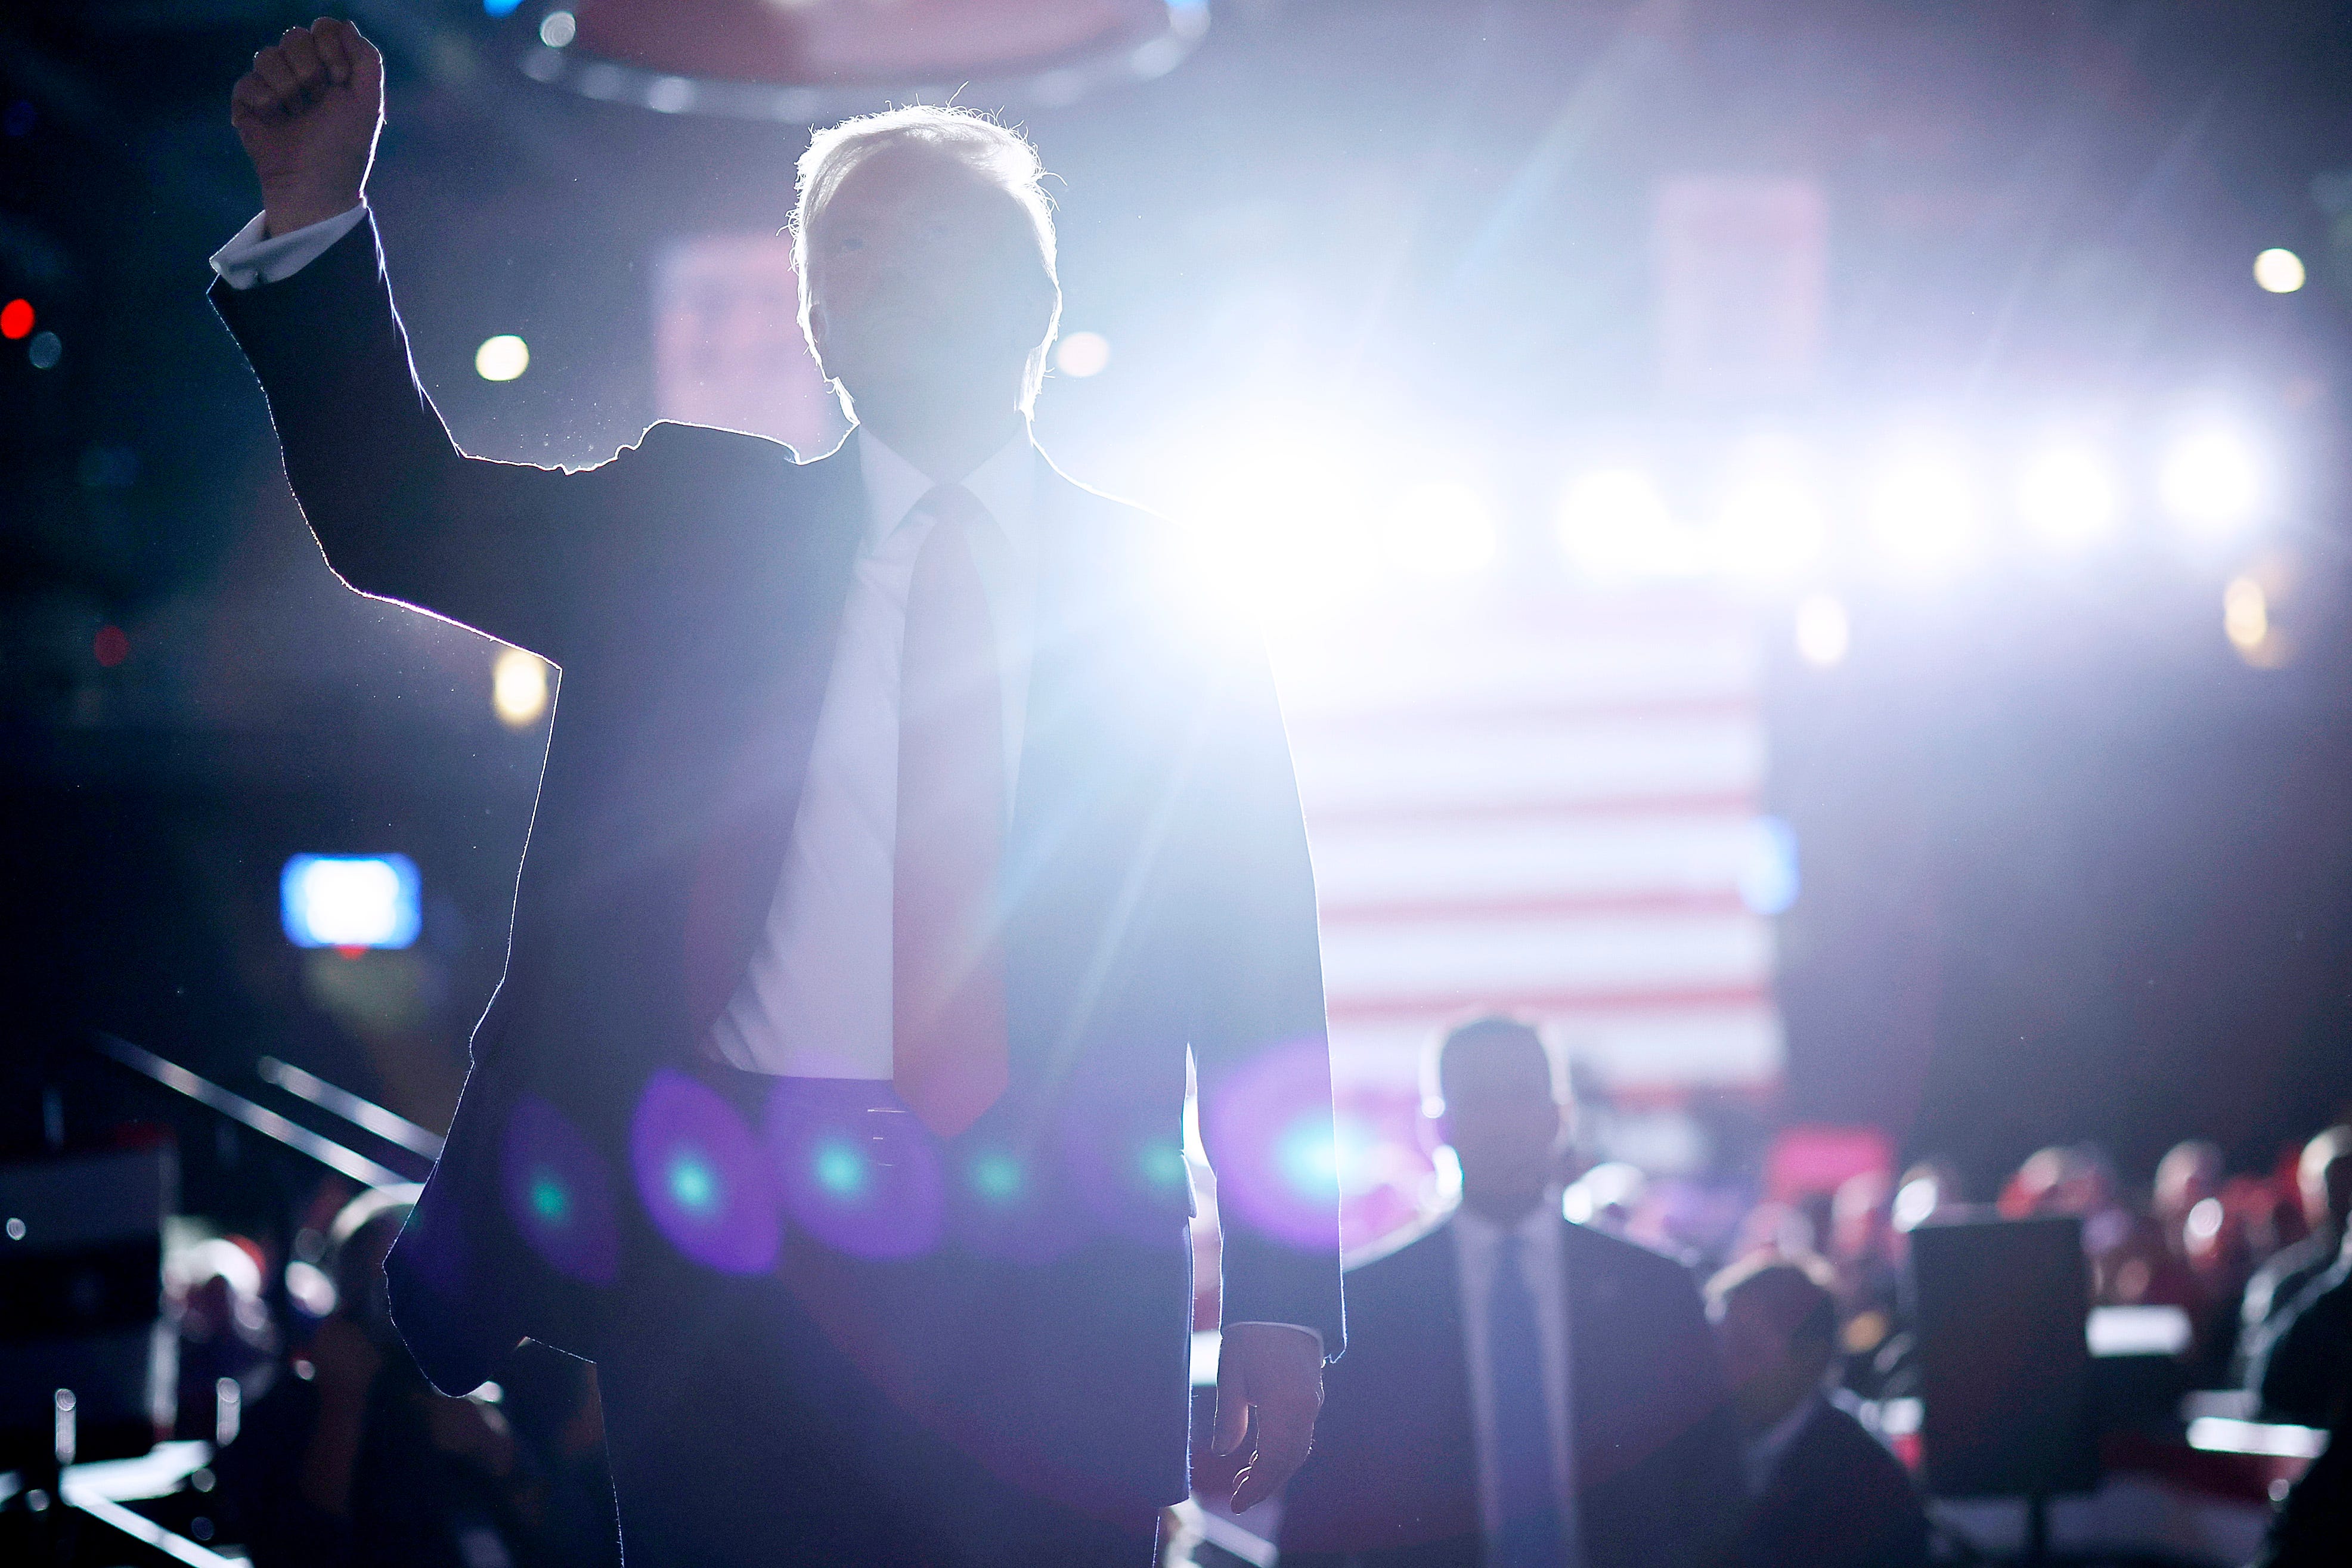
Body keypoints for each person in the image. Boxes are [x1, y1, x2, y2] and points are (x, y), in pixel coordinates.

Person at [214, 21, 1341, 1567]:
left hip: (1054, 1281)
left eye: (912, 231)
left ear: (1035, 297)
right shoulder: (694, 528)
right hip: (738, 1274)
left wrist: (1284, 1296)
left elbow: (1258, 956)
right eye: (838, 246)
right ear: (815, 320)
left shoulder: (1169, 595)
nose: (859, 266)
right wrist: (319, 217)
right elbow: (394, 516)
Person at [1277, 1017, 1741, 1568]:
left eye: (1520, 1097)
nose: (1503, 1124)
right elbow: (1320, 1508)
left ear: (1558, 1117)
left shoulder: (1655, 1291)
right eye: (1480, 1100)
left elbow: (1712, 1484)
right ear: (1439, 1127)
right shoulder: (1364, 1305)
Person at [215, 1188, 538, 1568]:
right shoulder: (288, 1413)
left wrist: (501, 1456)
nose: (405, 1308)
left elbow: (562, 1542)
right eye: (386, 1285)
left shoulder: (473, 1409)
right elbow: (298, 1551)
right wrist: (342, 1408)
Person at [1704, 1256, 1929, 1568]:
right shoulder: (1696, 1443)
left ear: (1812, 1359)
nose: (1722, 1366)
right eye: (1717, 1345)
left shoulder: (1866, 1485)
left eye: (1746, 1348)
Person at [2237, 1127, 2352, 1378]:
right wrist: (2342, 1277)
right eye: (2334, 1185)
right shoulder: (2282, 1279)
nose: (2345, 1198)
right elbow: (2260, 1378)